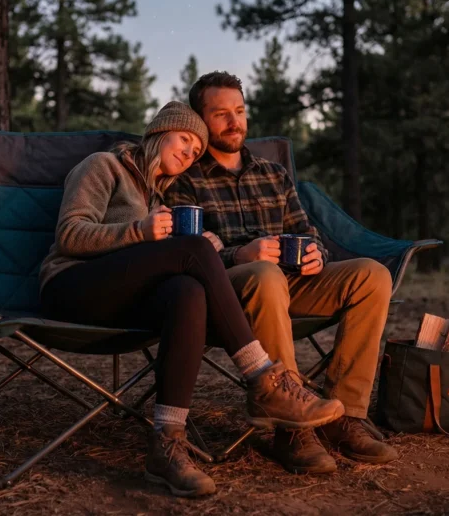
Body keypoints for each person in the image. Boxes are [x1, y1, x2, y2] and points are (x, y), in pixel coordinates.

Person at [38, 101, 345, 498]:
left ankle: (167, 445)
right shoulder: (103, 166)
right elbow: (71, 235)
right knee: (195, 250)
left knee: (188, 291)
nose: (189, 152)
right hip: (69, 287)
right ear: (158, 133)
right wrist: (141, 231)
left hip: (118, 297)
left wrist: (201, 246)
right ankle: (263, 379)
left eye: (197, 150)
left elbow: (154, 260)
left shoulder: (156, 195)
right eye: (184, 139)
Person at [164, 72, 398, 475]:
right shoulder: (184, 176)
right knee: (265, 275)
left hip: (291, 282)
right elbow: (183, 252)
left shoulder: (272, 173)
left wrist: (315, 255)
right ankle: (291, 428)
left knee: (372, 274)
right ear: (201, 122)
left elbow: (307, 232)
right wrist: (241, 254)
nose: (234, 122)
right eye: (221, 114)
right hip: (227, 292)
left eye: (239, 111)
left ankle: (344, 417)